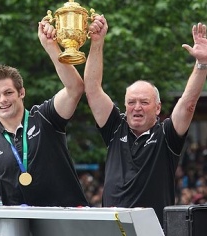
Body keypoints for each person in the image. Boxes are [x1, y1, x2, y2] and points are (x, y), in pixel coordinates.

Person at [0, 17, 88, 219]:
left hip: (69, 224)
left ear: (21, 93)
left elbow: (75, 88)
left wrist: (50, 46)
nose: (3, 100)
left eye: (8, 93)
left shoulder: (45, 117)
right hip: (21, 228)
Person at [84, 17, 207, 227]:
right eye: (131, 102)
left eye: (144, 102)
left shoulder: (167, 134)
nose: (137, 107)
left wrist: (202, 64)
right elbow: (92, 89)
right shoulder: (115, 127)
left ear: (158, 108)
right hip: (112, 227)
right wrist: (97, 43)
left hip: (153, 229)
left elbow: (188, 103)